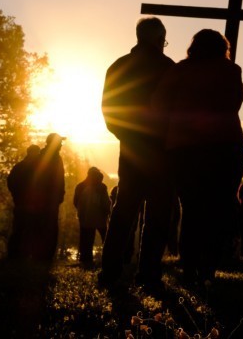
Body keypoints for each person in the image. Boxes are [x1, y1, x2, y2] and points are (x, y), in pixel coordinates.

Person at [152, 29, 243, 286]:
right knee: (217, 209)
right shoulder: (231, 71)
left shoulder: (179, 71)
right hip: (225, 148)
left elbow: (160, 105)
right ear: (222, 47)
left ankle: (189, 267)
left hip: (185, 150)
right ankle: (208, 269)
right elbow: (234, 102)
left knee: (192, 209)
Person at [100, 17, 175, 286]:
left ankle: (109, 272)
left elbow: (109, 111)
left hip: (131, 150)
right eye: (164, 40)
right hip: (162, 153)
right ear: (158, 39)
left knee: (123, 212)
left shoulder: (118, 67)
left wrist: (129, 136)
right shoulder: (168, 69)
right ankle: (149, 273)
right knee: (158, 214)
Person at [35, 132, 66, 262]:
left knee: (44, 227)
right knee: (47, 227)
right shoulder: (52, 159)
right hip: (48, 200)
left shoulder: (45, 157)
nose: (61, 145)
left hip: (48, 199)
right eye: (59, 142)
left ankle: (44, 256)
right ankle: (44, 257)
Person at [7, 145, 42, 259]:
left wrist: (16, 196)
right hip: (29, 204)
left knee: (19, 228)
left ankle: (15, 254)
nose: (38, 155)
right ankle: (22, 254)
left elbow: (10, 182)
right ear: (33, 153)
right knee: (27, 229)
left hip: (21, 203)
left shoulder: (19, 166)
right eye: (37, 153)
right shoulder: (35, 167)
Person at [74, 167, 111, 266]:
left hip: (86, 218)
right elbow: (106, 203)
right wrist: (107, 212)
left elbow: (75, 202)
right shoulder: (102, 187)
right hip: (99, 218)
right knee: (106, 238)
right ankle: (108, 259)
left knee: (86, 239)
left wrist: (81, 213)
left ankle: (85, 260)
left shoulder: (80, 186)